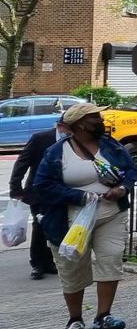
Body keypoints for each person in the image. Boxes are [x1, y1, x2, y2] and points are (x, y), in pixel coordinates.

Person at [32, 104, 137, 329]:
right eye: (95, 118)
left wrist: (123, 188)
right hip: (71, 220)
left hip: (111, 213)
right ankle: (75, 318)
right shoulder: (56, 152)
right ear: (80, 124)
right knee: (73, 267)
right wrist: (79, 196)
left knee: (110, 259)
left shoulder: (110, 145)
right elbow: (42, 185)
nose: (101, 120)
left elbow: (131, 170)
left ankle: (103, 316)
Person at [9, 112, 68, 280]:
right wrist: (16, 187)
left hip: (60, 192)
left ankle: (49, 262)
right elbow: (22, 162)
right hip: (38, 191)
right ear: (61, 126)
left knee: (55, 225)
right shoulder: (40, 138)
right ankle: (37, 264)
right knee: (40, 226)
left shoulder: (73, 141)